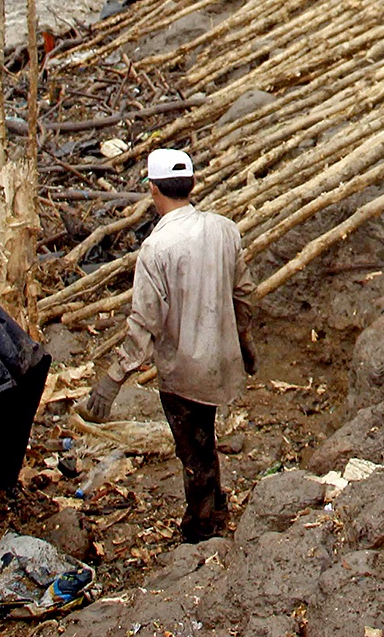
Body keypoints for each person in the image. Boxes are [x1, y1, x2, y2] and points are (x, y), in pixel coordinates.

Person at [81, 148, 256, 543]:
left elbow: (144, 323)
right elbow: (244, 292)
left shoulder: (156, 248)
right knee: (204, 436)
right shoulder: (225, 229)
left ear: (153, 190)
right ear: (191, 185)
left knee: (193, 452)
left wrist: (112, 380)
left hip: (184, 371)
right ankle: (218, 505)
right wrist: (244, 340)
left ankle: (201, 531)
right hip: (222, 357)